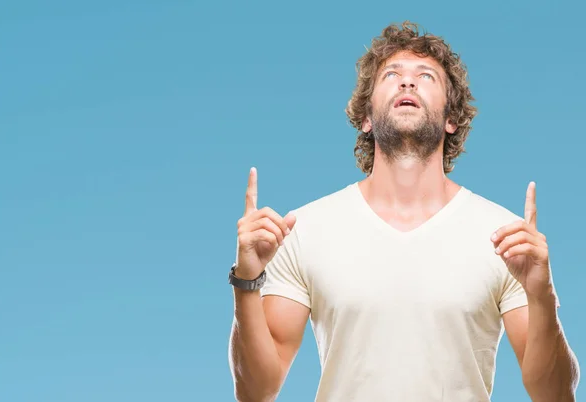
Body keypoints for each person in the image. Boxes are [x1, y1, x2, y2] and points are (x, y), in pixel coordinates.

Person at [227, 21, 580, 402]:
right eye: (391, 75)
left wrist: (541, 294)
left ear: (451, 119)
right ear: (365, 118)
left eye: (425, 76)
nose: (407, 83)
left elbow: (554, 395)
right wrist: (248, 281)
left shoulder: (506, 240)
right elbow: (257, 390)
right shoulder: (303, 229)